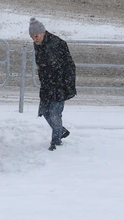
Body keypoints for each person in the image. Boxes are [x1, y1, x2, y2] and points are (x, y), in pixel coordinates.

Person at [29, 17, 77, 151]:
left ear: (43, 32)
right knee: (44, 111)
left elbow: (67, 65)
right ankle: (60, 130)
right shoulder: (38, 44)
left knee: (55, 113)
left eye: (36, 36)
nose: (35, 39)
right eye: (32, 37)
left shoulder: (57, 44)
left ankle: (56, 142)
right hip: (47, 84)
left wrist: (65, 83)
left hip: (59, 84)